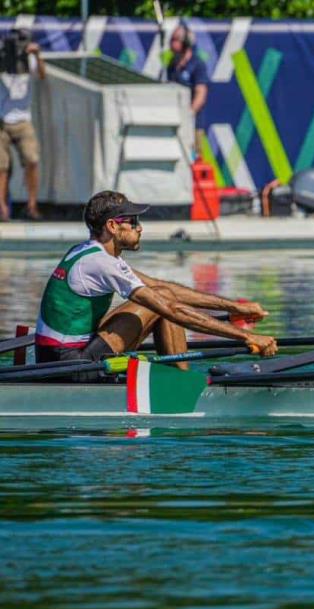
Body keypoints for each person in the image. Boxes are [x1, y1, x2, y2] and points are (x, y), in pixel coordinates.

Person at [35, 190, 277, 381]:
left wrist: (236, 308)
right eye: (132, 221)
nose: (139, 228)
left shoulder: (88, 252)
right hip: (69, 366)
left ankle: (179, 379)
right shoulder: (101, 263)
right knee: (161, 306)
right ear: (112, 226)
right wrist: (246, 336)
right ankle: (183, 384)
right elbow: (172, 308)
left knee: (161, 298)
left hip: (61, 356)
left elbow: (164, 289)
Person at [0, 29, 44, 221]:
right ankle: (2, 208)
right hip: (2, 120)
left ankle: (31, 206)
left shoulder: (29, 60)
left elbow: (42, 75)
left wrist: (36, 55)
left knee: (32, 160)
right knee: (2, 166)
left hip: (23, 120)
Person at [166, 23, 208, 158]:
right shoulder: (172, 64)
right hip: (175, 121)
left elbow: (201, 94)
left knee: (194, 160)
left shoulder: (197, 64)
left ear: (186, 42)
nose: (171, 44)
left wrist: (189, 114)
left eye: (175, 39)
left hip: (193, 123)